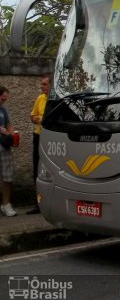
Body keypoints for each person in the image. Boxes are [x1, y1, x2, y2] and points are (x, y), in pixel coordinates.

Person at [28, 75, 50, 214]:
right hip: (38, 136)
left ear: (51, 86)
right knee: (37, 169)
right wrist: (36, 118)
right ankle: (38, 203)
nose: (41, 86)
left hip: (50, 139)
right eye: (41, 84)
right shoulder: (40, 98)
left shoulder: (56, 100)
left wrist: (43, 119)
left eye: (44, 84)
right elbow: (32, 116)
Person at [0, 85, 17, 217]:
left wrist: (13, 136)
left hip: (4, 146)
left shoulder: (3, 110)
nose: (3, 101)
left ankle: (6, 204)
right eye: (2, 98)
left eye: (5, 99)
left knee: (8, 176)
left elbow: (8, 125)